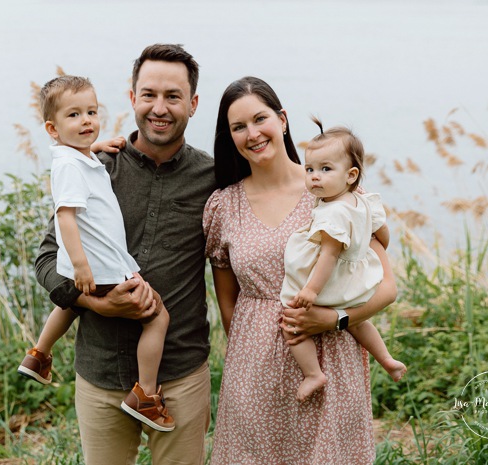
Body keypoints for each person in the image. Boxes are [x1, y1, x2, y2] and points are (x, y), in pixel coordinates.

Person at [34, 44, 215, 465]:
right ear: (132, 98)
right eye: (149, 94)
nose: (160, 108)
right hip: (100, 375)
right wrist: (97, 302)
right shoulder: (94, 168)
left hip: (181, 376)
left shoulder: (212, 179)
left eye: (173, 96)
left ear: (193, 103)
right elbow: (47, 261)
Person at [203, 76, 397, 464]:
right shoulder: (223, 206)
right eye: (239, 127)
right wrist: (253, 357)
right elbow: (228, 304)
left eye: (260, 119)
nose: (252, 134)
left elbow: (386, 287)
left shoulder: (335, 191)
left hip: (332, 361)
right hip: (253, 371)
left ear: (283, 120)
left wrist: (334, 320)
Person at [18, 75, 175, 432]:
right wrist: (81, 267)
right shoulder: (72, 168)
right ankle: (146, 395)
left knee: (70, 304)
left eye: (91, 112)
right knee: (157, 316)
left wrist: (93, 146)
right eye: (74, 115)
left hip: (90, 266)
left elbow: (76, 159)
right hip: (100, 266)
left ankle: (39, 354)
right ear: (52, 128)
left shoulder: (72, 157)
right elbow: (66, 219)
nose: (86, 120)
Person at [280, 119, 406, 402]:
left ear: (351, 175)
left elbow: (329, 254)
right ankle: (386, 359)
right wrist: (367, 247)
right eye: (310, 168)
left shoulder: (332, 213)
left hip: (329, 282)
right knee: (358, 321)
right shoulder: (362, 200)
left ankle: (313, 373)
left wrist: (311, 290)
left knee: (292, 324)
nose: (314, 177)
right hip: (355, 279)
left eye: (325, 169)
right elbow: (382, 234)